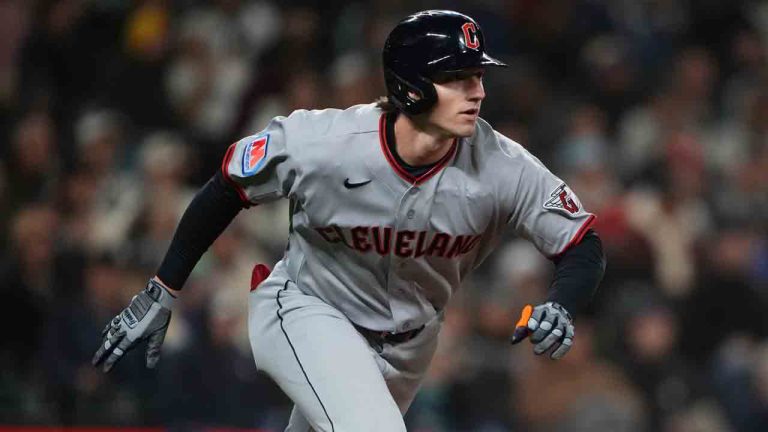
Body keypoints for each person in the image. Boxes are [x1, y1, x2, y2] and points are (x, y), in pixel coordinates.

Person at [93, 10, 606, 431]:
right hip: (308, 310)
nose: (478, 92)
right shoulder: (324, 144)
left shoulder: (502, 166)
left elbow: (581, 243)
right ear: (410, 86)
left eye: (478, 76)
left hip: (410, 345)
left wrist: (561, 304)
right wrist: (164, 288)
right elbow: (227, 186)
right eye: (457, 78)